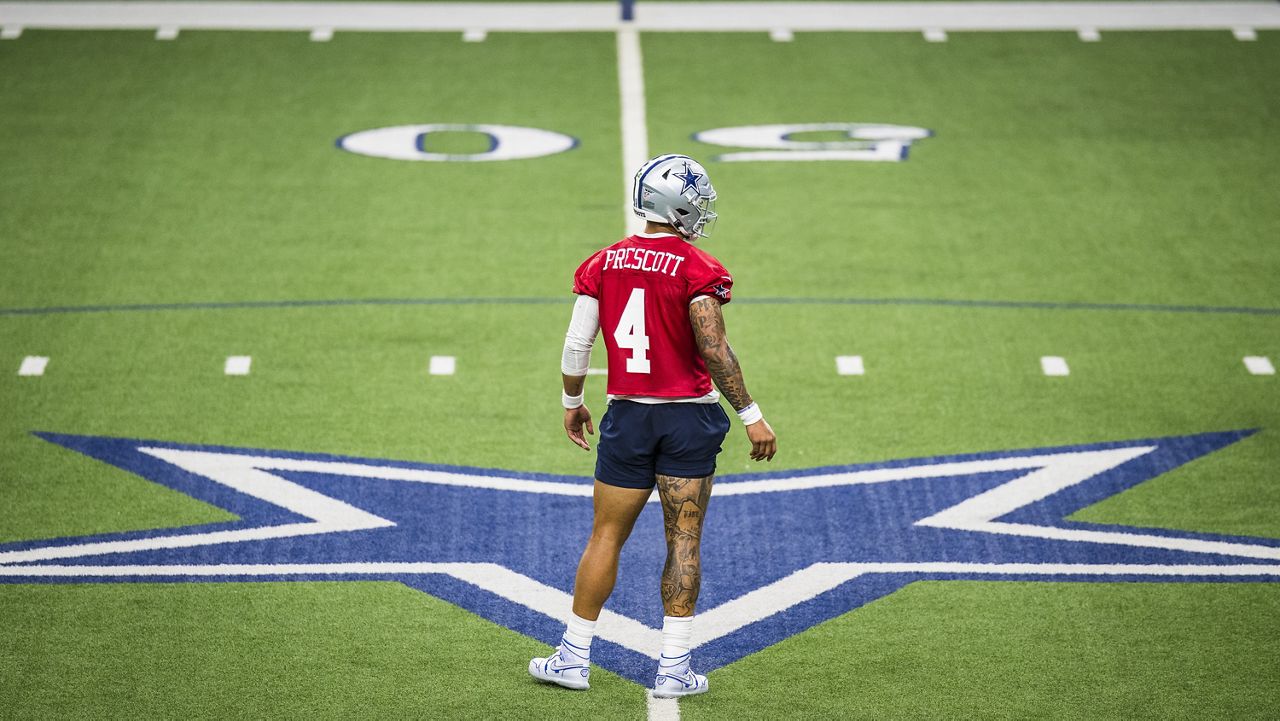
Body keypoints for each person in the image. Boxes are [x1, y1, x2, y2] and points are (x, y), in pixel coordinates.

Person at [529, 154, 777, 698]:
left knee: (605, 535)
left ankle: (572, 657)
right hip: (687, 417)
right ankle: (673, 668)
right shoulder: (698, 268)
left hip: (629, 416)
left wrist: (573, 400)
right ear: (680, 205)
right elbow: (714, 350)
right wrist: (751, 415)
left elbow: (577, 345)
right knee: (683, 539)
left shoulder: (602, 262)